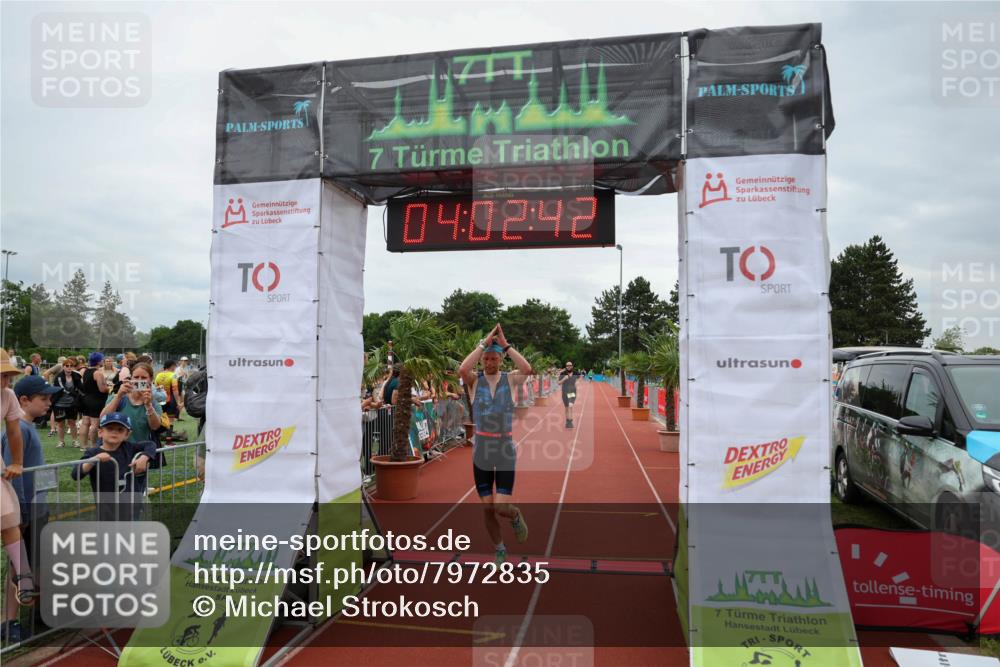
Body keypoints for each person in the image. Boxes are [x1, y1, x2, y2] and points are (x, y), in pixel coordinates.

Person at [458, 324, 531, 564]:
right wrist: (483, 343)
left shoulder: (510, 380)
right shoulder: (474, 382)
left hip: (504, 448)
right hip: (482, 452)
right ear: (482, 361)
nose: (489, 362)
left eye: (494, 358)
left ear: (500, 360)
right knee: (488, 508)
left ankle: (515, 514)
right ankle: (499, 548)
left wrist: (506, 344)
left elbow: (527, 368)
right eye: (486, 359)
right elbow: (462, 368)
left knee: (501, 507)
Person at [2, 376, 58, 639]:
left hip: (36, 506)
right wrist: (21, 513)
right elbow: (15, 476)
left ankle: (23, 617)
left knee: (28, 564)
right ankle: (11, 621)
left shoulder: (28, 427)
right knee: (20, 566)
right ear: (23, 400)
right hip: (27, 509)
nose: (49, 403)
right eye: (43, 398)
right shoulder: (19, 430)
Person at [0, 351, 37, 644]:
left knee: (10, 519)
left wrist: (17, 463)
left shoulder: (9, 396)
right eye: (3, 375)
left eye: (8, 375)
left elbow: (13, 431)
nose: (6, 379)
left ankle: (22, 575)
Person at [71, 412, 157, 520]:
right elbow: (75, 474)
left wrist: (144, 457)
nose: (114, 432)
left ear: (127, 435)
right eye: (110, 428)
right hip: (107, 507)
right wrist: (93, 460)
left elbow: (151, 444)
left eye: (120, 430)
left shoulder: (128, 447)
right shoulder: (93, 452)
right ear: (100, 432)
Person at [101, 362, 161, 444]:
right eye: (136, 377)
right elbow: (103, 418)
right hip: (115, 448)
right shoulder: (119, 398)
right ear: (131, 378)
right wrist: (118, 396)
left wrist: (148, 405)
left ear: (150, 380)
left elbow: (155, 427)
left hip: (138, 451)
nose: (139, 380)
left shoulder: (153, 403)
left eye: (143, 378)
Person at [79, 352, 110, 448]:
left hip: (86, 399)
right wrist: (109, 387)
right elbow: (102, 389)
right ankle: (94, 445)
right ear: (99, 361)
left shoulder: (85, 371)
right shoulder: (98, 373)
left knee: (85, 423)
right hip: (96, 400)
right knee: (95, 425)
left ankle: (84, 445)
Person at [52, 358, 83, 448]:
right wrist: (74, 394)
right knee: (61, 423)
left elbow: (81, 387)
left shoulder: (76, 376)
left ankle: (75, 441)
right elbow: (62, 389)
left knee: (72, 422)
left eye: (71, 366)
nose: (69, 368)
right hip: (59, 403)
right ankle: (61, 442)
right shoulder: (58, 377)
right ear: (63, 367)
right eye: (67, 366)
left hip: (72, 404)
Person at [558, 361, 580, 429]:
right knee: (567, 407)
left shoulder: (576, 373)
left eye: (570, 365)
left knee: (570, 406)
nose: (569, 366)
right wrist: (564, 379)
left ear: (572, 366)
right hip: (564, 391)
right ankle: (567, 421)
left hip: (572, 392)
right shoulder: (563, 373)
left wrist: (577, 382)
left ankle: (570, 421)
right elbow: (558, 383)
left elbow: (578, 379)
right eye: (567, 365)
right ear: (566, 366)